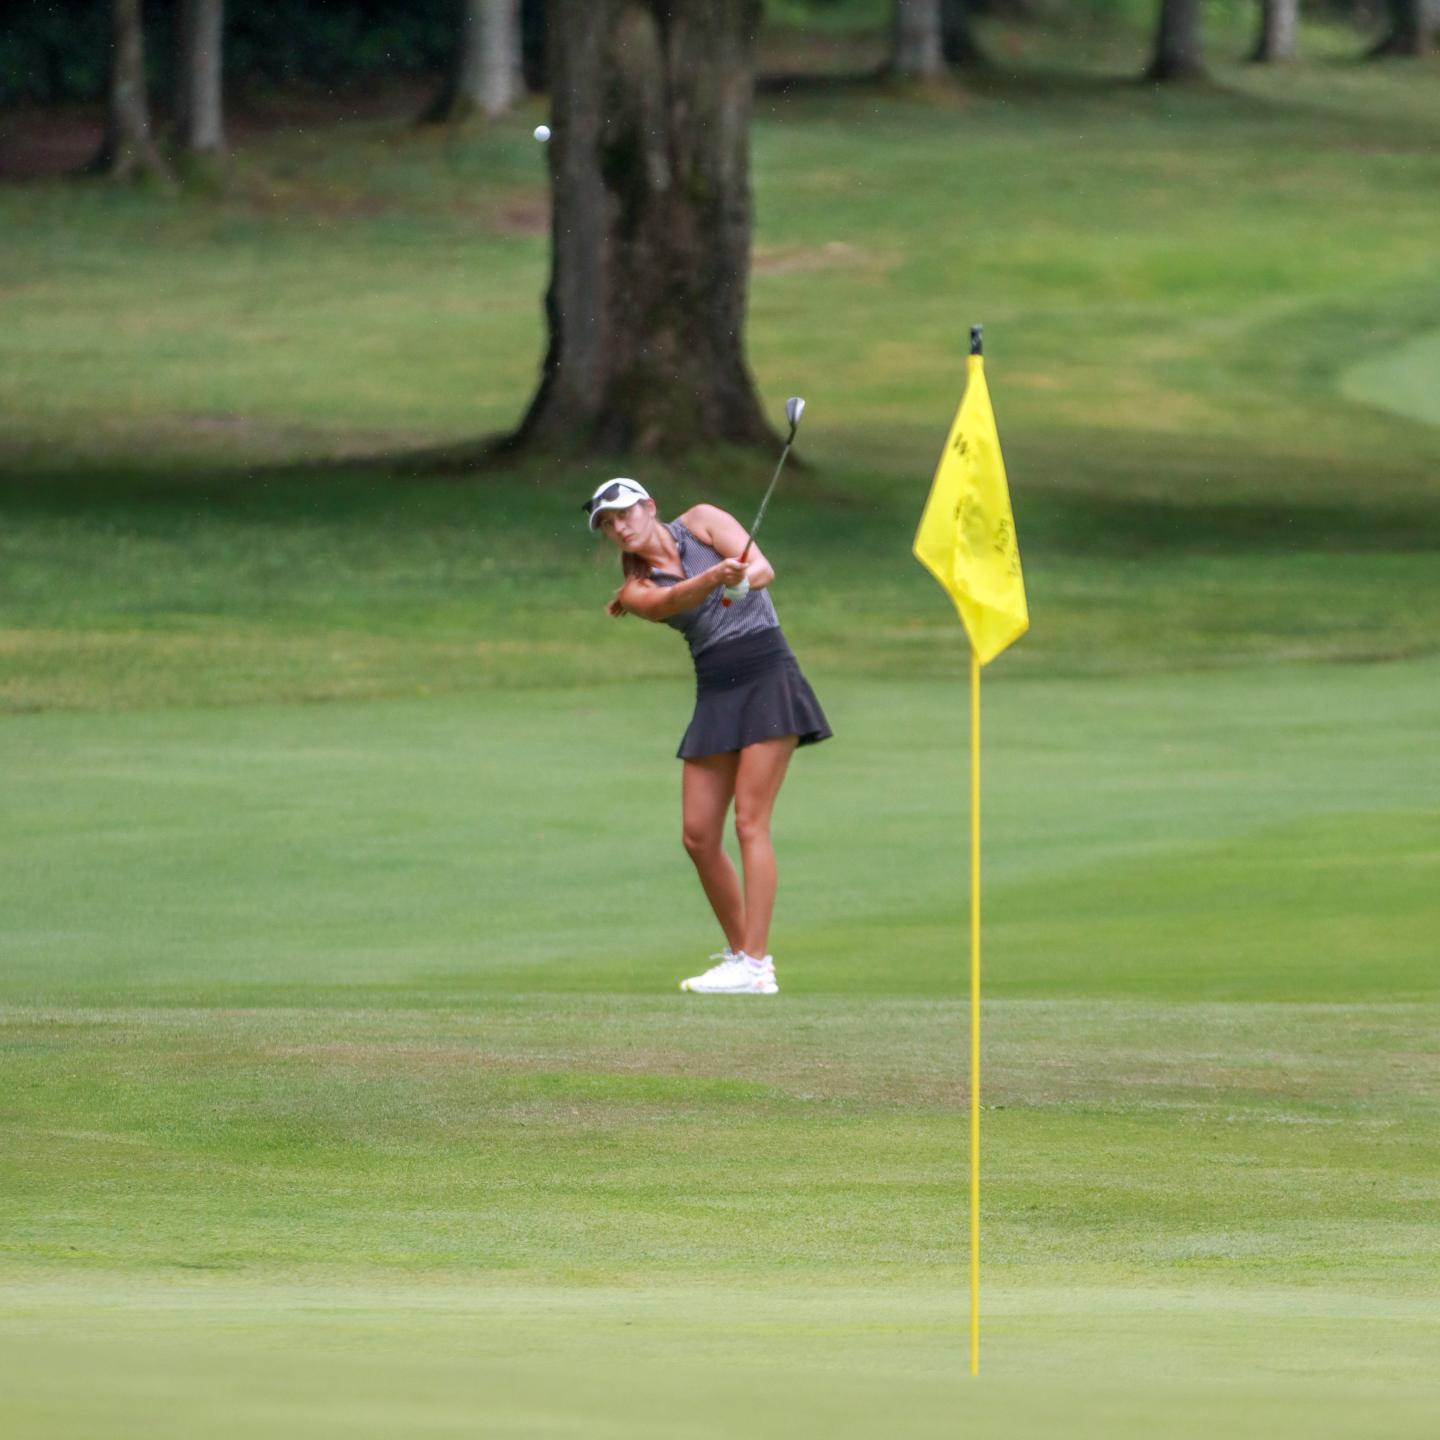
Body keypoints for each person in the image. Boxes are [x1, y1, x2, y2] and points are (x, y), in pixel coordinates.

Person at [584, 477, 832, 995]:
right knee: (697, 835)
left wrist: (743, 580)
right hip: (717, 687)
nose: (620, 526)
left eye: (625, 513)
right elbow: (672, 601)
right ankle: (743, 955)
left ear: (650, 506)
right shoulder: (636, 589)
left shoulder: (701, 520)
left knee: (749, 821)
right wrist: (718, 578)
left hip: (768, 673)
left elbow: (763, 567)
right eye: (608, 523)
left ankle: (756, 964)